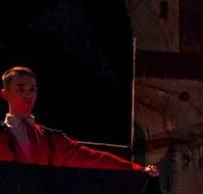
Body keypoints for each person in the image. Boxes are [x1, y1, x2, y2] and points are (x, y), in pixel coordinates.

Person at [0, 66, 158, 175]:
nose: (27, 95)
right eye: (20, 90)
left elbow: (93, 159)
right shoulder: (2, 136)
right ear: (5, 94)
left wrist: (138, 170)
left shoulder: (50, 139)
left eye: (32, 90)